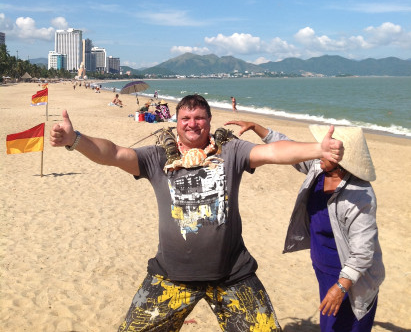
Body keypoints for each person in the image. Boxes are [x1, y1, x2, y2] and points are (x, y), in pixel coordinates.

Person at [50, 94, 343, 332]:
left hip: (232, 274)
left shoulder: (232, 152)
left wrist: (319, 149)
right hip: (171, 275)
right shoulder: (157, 157)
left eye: (199, 118)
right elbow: (113, 153)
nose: (193, 124)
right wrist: (75, 140)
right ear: (177, 123)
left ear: (209, 121)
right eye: (186, 118)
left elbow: (274, 152)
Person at [225, 119, 384, 332]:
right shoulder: (319, 169)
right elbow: (290, 148)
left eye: (325, 149)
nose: (319, 152)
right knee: (330, 325)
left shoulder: (360, 194)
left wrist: (340, 286)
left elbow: (363, 252)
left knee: (347, 324)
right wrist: (257, 128)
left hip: (350, 277)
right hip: (324, 269)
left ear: (339, 159)